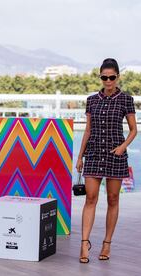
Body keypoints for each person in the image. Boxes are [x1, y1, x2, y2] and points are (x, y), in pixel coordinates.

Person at [76, 58, 137, 263]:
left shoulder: (126, 99)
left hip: (115, 155)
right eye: (104, 77)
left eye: (111, 77)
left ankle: (107, 243)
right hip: (93, 153)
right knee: (90, 199)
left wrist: (122, 147)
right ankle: (85, 244)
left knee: (113, 199)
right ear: (100, 77)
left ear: (117, 77)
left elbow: (133, 129)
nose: (108, 80)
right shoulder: (92, 100)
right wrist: (80, 156)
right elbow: (88, 130)